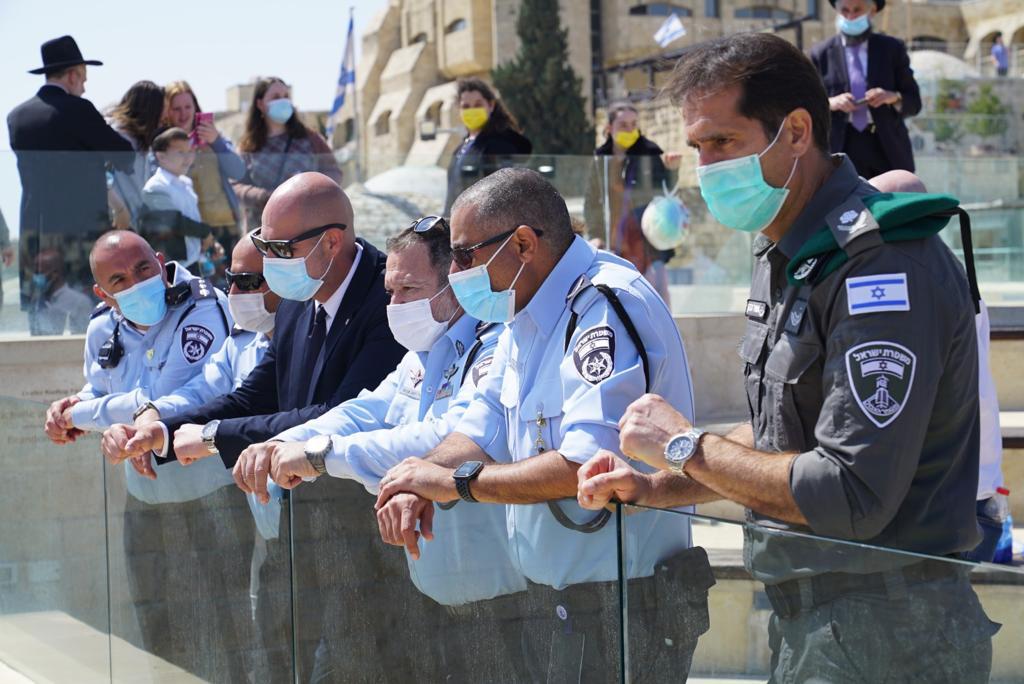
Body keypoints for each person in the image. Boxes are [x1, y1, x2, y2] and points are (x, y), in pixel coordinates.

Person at [576, 33, 997, 682]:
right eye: (697, 148)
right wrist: (660, 485)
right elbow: (782, 434)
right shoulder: (791, 250)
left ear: (797, 131)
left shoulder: (877, 264)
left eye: (724, 143)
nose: (707, 168)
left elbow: (850, 490)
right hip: (816, 625)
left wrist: (687, 446)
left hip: (893, 636)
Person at [374, 168, 714, 682]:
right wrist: (416, 479)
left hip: (625, 607)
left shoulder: (603, 308)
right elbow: (480, 431)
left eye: (465, 255)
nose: (456, 271)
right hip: (555, 606)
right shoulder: (521, 319)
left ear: (524, 245)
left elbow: (588, 466)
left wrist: (451, 483)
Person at [232, 216, 526, 680]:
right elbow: (366, 409)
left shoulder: (494, 346)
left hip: (498, 599)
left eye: (408, 288)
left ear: (454, 284)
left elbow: (451, 436)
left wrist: (319, 455)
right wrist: (285, 440)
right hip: (430, 585)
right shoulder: (423, 352)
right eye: (389, 290)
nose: (395, 303)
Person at [39, 230, 247, 680]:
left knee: (227, 627)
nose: (134, 283)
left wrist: (84, 415)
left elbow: (166, 399)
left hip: (211, 494)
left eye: (142, 269)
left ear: (159, 259)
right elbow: (99, 390)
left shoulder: (204, 308)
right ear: (102, 293)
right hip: (146, 501)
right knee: (156, 626)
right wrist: (71, 408)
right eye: (118, 280)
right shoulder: (100, 327)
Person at [100, 234, 291, 680]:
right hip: (270, 524)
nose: (237, 295)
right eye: (233, 281)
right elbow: (205, 389)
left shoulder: (220, 313)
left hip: (311, 518)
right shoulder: (242, 340)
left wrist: (201, 437)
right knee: (268, 646)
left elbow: (257, 408)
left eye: (250, 281)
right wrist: (155, 420)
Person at [7, 35, 134, 311]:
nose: (85, 87)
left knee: (41, 319)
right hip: (81, 232)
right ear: (74, 75)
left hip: (36, 231)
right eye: (85, 78)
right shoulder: (79, 110)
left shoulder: (17, 117)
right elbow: (125, 155)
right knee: (91, 315)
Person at [810, 0, 922, 177]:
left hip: (886, 146)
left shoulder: (892, 49)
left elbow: (914, 102)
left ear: (872, 10)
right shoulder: (820, 54)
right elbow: (807, 104)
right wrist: (832, 102)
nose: (851, 16)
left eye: (857, 10)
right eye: (845, 10)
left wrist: (891, 97)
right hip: (840, 146)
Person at [583, 101, 675, 303]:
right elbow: (592, 200)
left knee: (656, 289)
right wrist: (597, 235)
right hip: (615, 236)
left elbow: (666, 192)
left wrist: (672, 170)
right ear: (609, 128)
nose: (630, 129)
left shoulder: (649, 152)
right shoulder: (601, 158)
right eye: (623, 125)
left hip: (646, 236)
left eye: (634, 124)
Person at [233, 77, 342, 231]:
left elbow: (333, 170)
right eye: (276, 97)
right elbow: (236, 185)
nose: (283, 101)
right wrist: (267, 196)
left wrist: (311, 189)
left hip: (306, 227)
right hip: (262, 229)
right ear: (260, 104)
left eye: (286, 96)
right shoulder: (248, 146)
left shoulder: (310, 138)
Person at [162, 81, 246, 259]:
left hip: (225, 226)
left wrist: (216, 141)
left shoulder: (212, 136)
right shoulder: (162, 146)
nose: (183, 114)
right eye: (176, 108)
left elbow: (238, 171)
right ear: (166, 111)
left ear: (195, 108)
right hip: (189, 231)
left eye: (187, 107)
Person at [443, 78, 532, 215]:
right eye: (466, 106)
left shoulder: (500, 144)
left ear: (491, 105)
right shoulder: (462, 146)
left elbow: (503, 196)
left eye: (478, 105)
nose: (472, 110)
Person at [141, 127, 216, 270]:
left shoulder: (185, 183)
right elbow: (175, 222)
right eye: (180, 152)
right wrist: (205, 232)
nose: (188, 157)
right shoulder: (155, 187)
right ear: (161, 156)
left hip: (193, 260)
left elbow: (193, 218)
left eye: (189, 151)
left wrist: (208, 241)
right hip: (174, 265)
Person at [107, 80, 165, 227]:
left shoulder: (139, 139)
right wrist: (119, 210)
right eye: (159, 110)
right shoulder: (116, 137)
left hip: (132, 222)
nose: (162, 117)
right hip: (116, 222)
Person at [28, 248, 92, 335]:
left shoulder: (79, 302)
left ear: (55, 274)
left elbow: (83, 339)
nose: (35, 277)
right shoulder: (37, 302)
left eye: (39, 273)